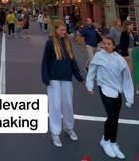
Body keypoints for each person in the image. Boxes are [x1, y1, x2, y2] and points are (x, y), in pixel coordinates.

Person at [86, 36, 134, 159]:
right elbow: (92, 70)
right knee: (111, 116)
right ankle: (105, 141)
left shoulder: (119, 59)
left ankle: (113, 142)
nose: (106, 46)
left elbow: (127, 77)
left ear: (113, 46)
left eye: (109, 44)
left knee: (115, 118)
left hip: (116, 90)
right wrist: (90, 85)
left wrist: (129, 97)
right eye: (104, 43)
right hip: (104, 88)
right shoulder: (99, 56)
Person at [42, 19, 83, 147]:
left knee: (68, 104)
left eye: (65, 30)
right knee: (55, 106)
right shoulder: (49, 43)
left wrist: (79, 77)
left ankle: (68, 127)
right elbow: (45, 62)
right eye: (62, 30)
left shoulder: (67, 42)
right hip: (54, 78)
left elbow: (73, 61)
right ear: (55, 30)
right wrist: (45, 78)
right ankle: (55, 132)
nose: (64, 32)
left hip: (66, 78)